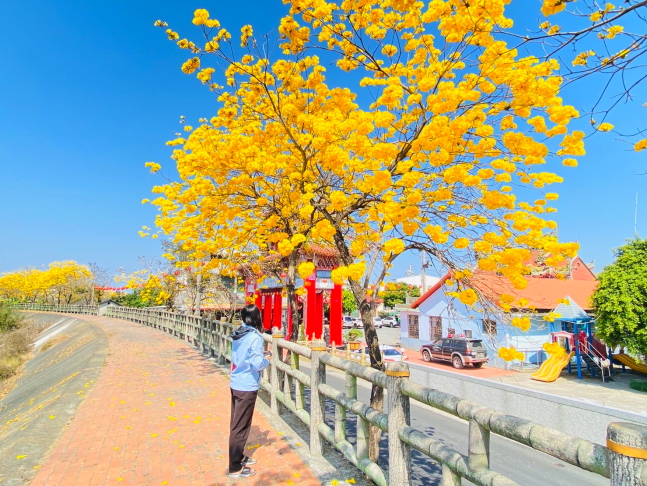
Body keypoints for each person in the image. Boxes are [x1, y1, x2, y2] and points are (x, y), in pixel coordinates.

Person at [228, 304, 271, 478]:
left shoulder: (239, 333)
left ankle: (239, 456)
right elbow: (257, 364)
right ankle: (235, 467)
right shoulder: (255, 337)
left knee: (237, 423)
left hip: (236, 381)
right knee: (241, 426)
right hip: (246, 385)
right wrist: (267, 359)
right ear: (256, 318)